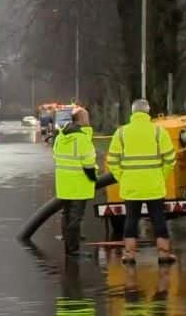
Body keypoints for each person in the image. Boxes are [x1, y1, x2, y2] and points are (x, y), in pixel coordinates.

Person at [107, 99, 177, 265]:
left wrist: (122, 177)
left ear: (132, 113)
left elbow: (112, 160)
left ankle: (130, 254)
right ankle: (163, 253)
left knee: (131, 219)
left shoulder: (121, 133)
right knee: (158, 218)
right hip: (154, 184)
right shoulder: (158, 132)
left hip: (131, 185)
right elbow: (170, 159)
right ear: (148, 112)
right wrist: (161, 175)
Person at [53, 107, 98, 256]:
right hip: (79, 184)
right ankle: (73, 249)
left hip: (64, 184)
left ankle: (69, 245)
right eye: (87, 117)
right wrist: (94, 178)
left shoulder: (60, 137)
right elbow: (89, 164)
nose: (89, 119)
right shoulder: (82, 139)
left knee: (66, 215)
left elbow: (56, 157)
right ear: (81, 120)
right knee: (75, 217)